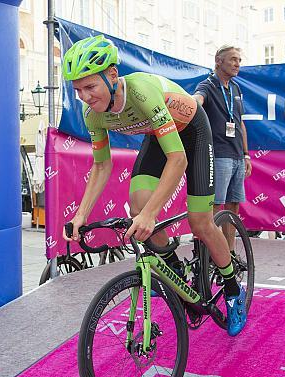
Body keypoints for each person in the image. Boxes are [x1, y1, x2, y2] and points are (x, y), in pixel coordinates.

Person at [61, 35, 247, 335]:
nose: (85, 96)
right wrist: (81, 214)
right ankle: (173, 268)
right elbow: (101, 164)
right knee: (138, 206)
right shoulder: (92, 114)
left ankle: (232, 288)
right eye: (78, 89)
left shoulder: (141, 92)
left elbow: (178, 159)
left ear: (111, 76)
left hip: (194, 134)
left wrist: (151, 214)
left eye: (90, 87)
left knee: (200, 223)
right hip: (159, 136)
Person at [193, 45, 251, 259]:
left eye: (239, 60)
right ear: (219, 61)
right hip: (219, 155)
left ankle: (230, 253)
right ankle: (214, 256)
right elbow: (197, 100)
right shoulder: (207, 85)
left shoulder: (235, 88)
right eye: (233, 59)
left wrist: (246, 154)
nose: (237, 64)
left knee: (233, 207)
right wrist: (194, 102)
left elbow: (240, 123)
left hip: (237, 155)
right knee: (216, 207)